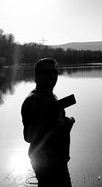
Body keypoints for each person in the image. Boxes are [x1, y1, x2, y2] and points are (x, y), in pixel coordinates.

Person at [21, 58, 75, 187]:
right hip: (47, 163)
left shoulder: (49, 96)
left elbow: (51, 124)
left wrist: (66, 123)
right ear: (36, 76)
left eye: (55, 73)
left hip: (57, 160)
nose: (52, 76)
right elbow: (29, 137)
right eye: (47, 73)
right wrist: (55, 125)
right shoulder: (33, 100)